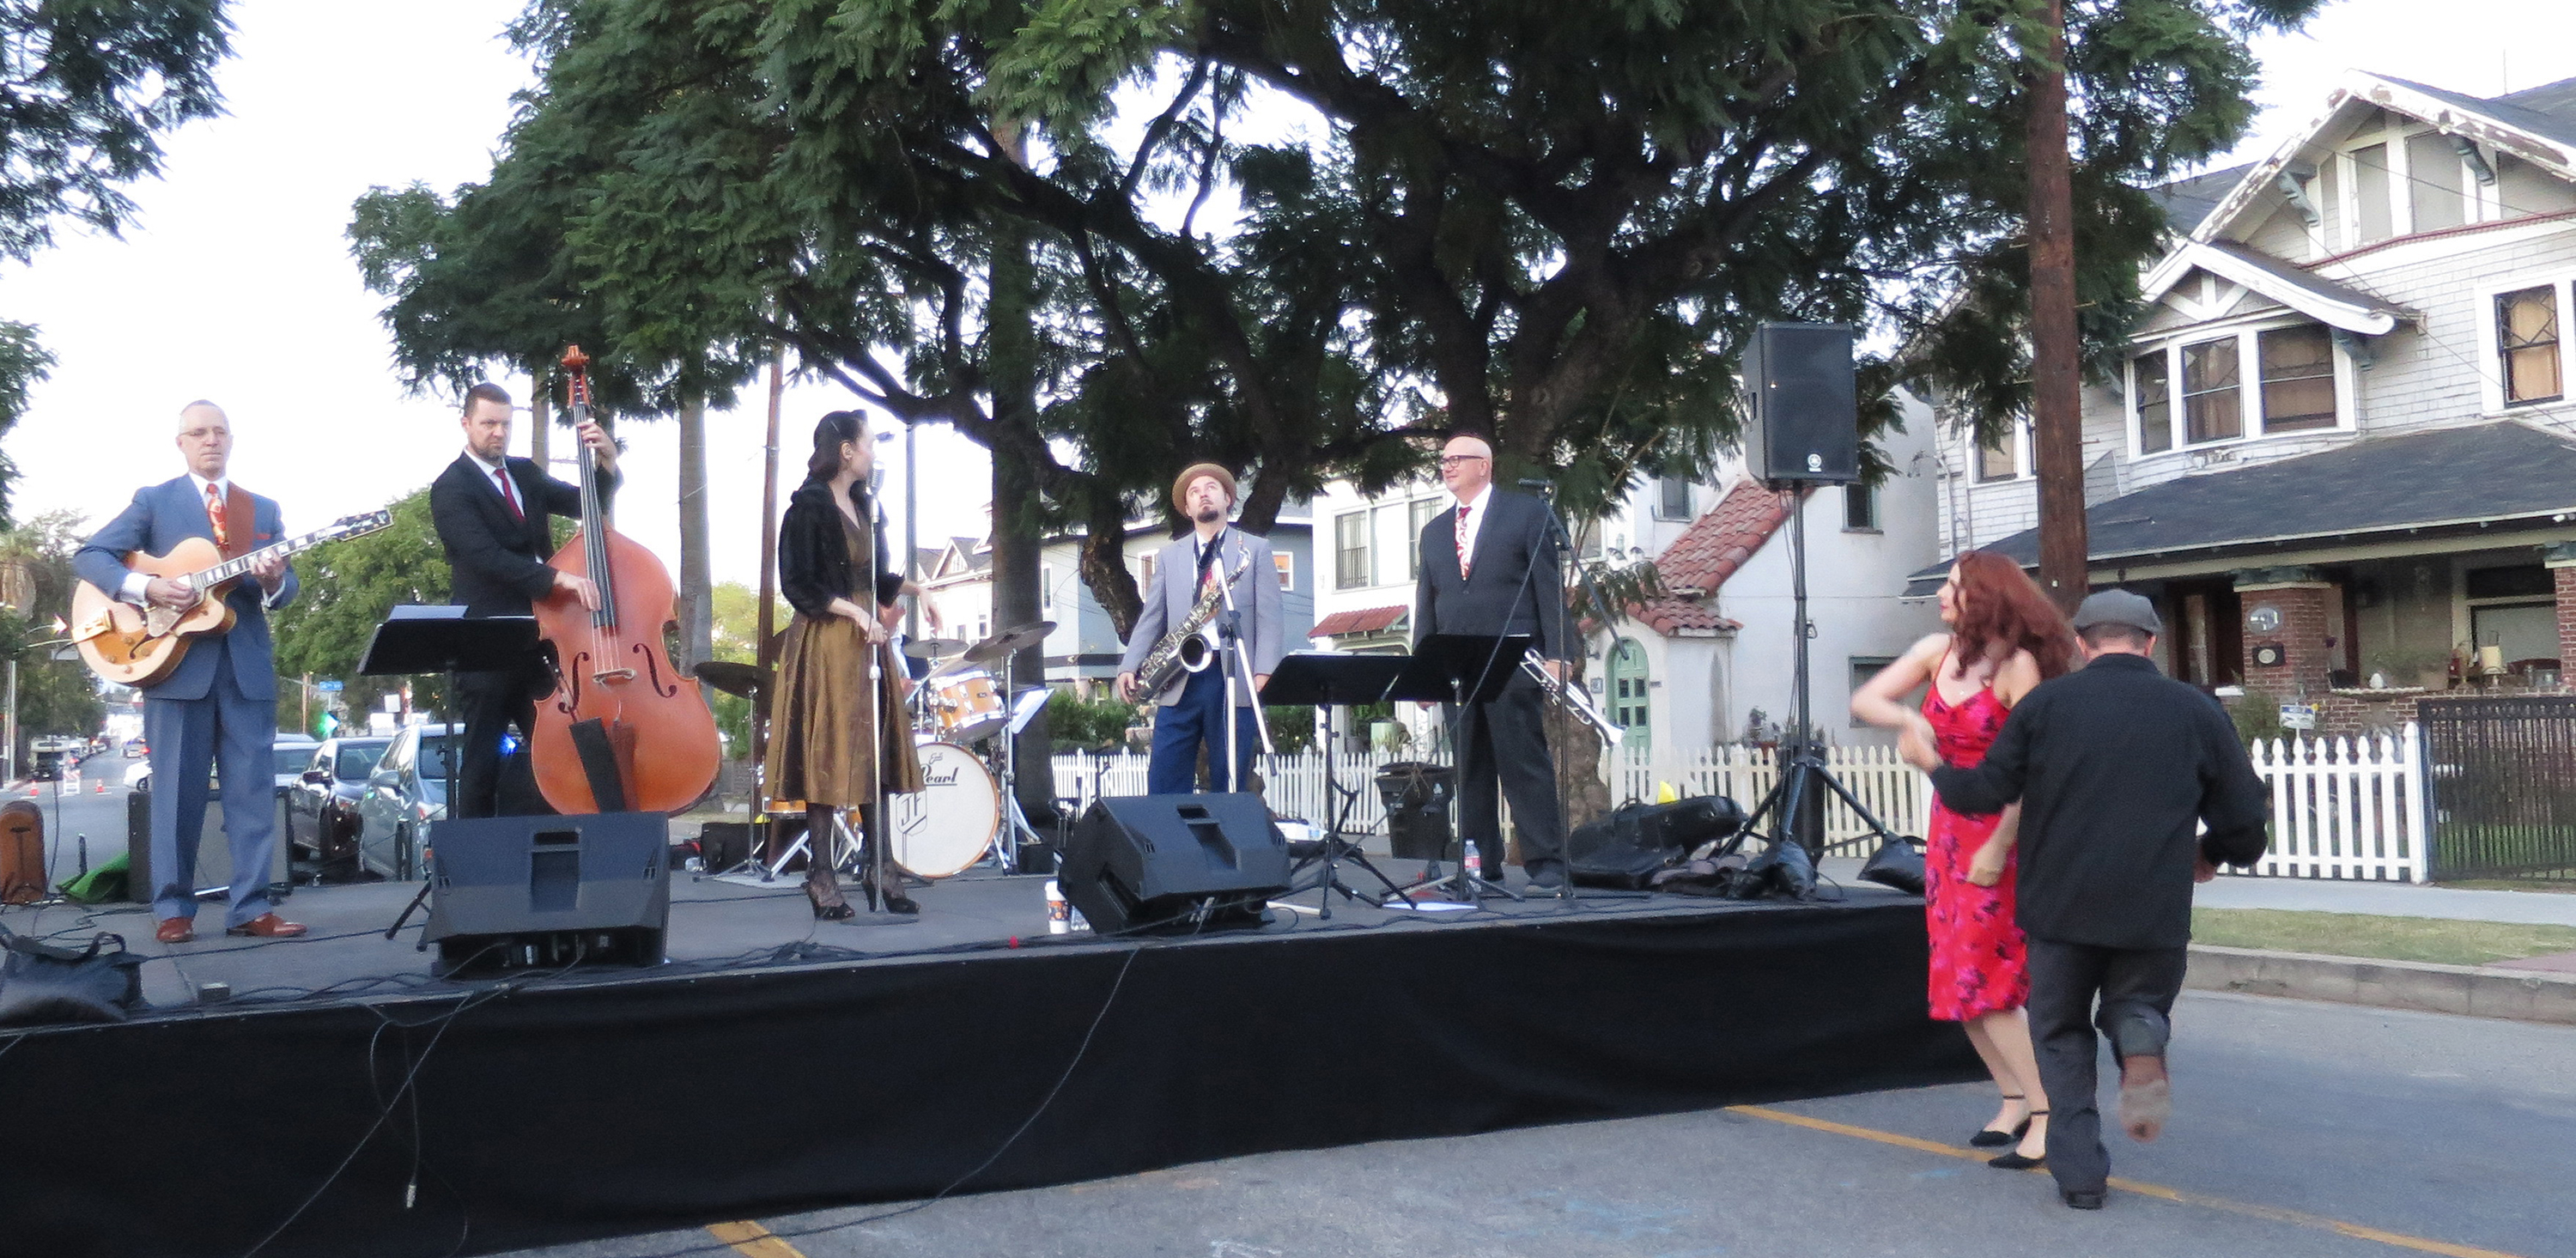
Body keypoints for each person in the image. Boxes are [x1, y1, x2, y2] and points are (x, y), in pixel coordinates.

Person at [1902, 588, 2269, 1211]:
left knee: (2061, 1033)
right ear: (2151, 643)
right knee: (2137, 1003)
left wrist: (1932, 764)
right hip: (2152, 907)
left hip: (2059, 907)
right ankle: (2140, 1037)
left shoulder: (2046, 705)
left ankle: (2080, 1176)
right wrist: (2211, 851)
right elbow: (2245, 820)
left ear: (2081, 644)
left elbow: (1983, 792)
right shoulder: (2195, 709)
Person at [1852, 550, 2076, 1171]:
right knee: (1956, 975)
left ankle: (2050, 1111)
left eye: (1954, 587)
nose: (1942, 596)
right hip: (1950, 827)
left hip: (2000, 830)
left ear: (1986, 597)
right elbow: (1866, 699)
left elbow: (2032, 771)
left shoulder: (2018, 666)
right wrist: (1909, 718)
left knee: (1989, 980)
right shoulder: (1937, 652)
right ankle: (2013, 1098)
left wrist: (1999, 846)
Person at [74, 402, 302, 943]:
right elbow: (91, 555)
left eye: (219, 432)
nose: (210, 440)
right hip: (173, 667)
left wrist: (273, 581)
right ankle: (173, 908)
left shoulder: (261, 509)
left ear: (232, 440)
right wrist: (146, 587)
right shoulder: (154, 502)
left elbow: (287, 588)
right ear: (181, 443)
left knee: (253, 795)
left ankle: (252, 908)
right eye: (199, 433)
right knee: (176, 796)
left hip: (246, 669)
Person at [428, 382, 619, 819]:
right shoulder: (451, 487)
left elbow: (584, 503)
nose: (498, 432)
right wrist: (557, 578)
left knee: (565, 747)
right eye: (488, 424)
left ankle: (567, 839)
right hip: (487, 642)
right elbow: (486, 557)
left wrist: (607, 461)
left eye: (505, 424)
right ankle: (473, 853)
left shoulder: (524, 474)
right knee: (481, 759)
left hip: (540, 639)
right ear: (466, 424)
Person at [764, 412, 925, 917]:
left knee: (873, 749)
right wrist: (856, 613)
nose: (874, 452)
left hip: (865, 640)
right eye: (869, 443)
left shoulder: (866, 505)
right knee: (828, 751)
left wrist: (918, 590)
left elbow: (873, 577)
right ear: (847, 451)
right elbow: (798, 583)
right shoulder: (807, 507)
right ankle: (821, 876)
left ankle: (881, 867)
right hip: (828, 638)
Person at [1412, 434, 1572, 890]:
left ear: (1484, 465)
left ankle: (1546, 863)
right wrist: (1424, 670)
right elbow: (1427, 603)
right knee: (1469, 768)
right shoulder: (1434, 531)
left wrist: (1560, 652)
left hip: (1513, 659)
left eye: (1457, 459)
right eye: (1443, 459)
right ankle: (1479, 864)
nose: (1447, 466)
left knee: (1523, 763)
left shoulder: (1526, 513)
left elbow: (1548, 587)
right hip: (1456, 665)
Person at [1115, 463, 1285, 795]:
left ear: (1227, 499)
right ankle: (1170, 830)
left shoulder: (1254, 549)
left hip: (1232, 673)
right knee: (1164, 779)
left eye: (1210, 488)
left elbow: (1270, 616)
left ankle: (1225, 830)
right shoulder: (1170, 555)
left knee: (1229, 780)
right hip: (1178, 675)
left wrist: (1264, 670)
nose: (1202, 495)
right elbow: (1153, 615)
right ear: (1187, 508)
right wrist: (1129, 664)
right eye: (1194, 492)